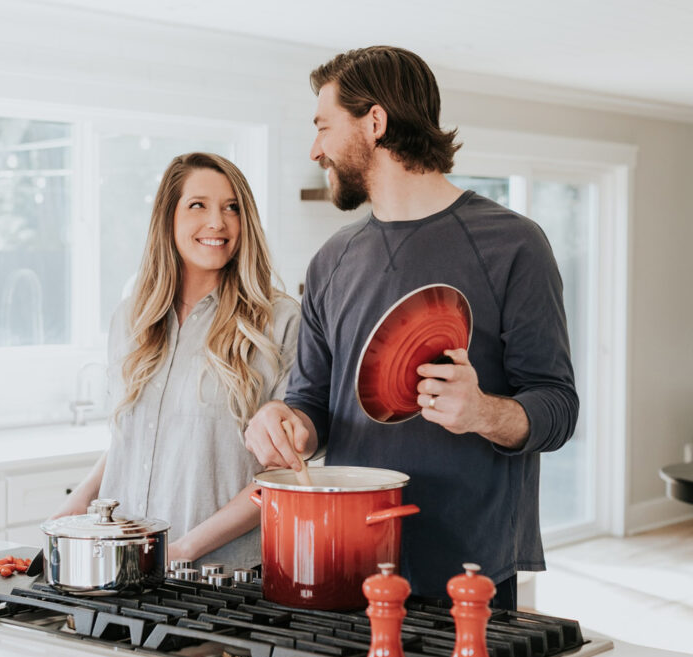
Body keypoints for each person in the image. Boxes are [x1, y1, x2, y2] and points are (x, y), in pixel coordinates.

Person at [243, 46, 578, 609]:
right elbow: (312, 402)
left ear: (374, 123)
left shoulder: (513, 244)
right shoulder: (332, 259)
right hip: (347, 561)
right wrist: (288, 422)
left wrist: (483, 412)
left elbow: (558, 406)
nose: (315, 148)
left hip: (467, 571)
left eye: (323, 126)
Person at [52, 152, 300, 570]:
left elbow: (284, 475)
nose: (218, 222)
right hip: (124, 569)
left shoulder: (278, 322)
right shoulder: (131, 318)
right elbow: (133, 439)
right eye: (198, 205)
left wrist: (181, 550)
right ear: (168, 218)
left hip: (223, 578)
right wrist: (73, 509)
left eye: (232, 208)